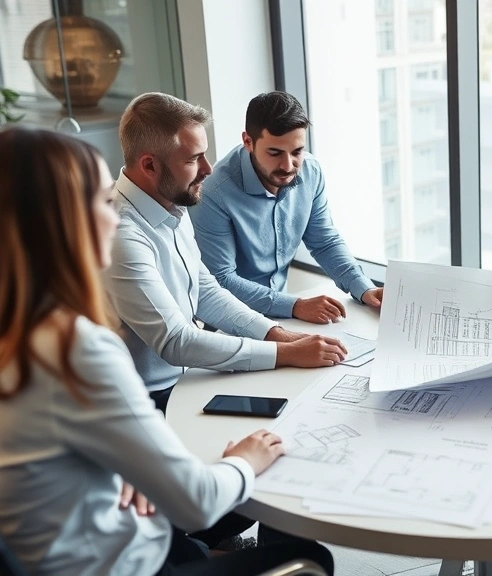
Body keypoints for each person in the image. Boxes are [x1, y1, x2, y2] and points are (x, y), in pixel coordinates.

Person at [0, 126, 334, 576]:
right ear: (61, 223)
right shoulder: (74, 349)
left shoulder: (21, 334)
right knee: (308, 552)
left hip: (79, 543)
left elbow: (206, 290)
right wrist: (244, 460)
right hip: (126, 563)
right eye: (101, 201)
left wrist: (276, 334)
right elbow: (195, 502)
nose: (113, 216)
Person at [103, 92, 347, 413]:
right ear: (149, 165)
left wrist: (278, 335)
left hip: (189, 377)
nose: (208, 168)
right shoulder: (121, 234)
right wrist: (284, 353)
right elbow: (176, 341)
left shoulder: (172, 204)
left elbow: (207, 292)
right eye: (193, 160)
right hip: (147, 399)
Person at [191, 91, 382, 323]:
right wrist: (295, 306)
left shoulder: (310, 171)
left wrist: (364, 289)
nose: (288, 165)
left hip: (284, 317)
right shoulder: (213, 193)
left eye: (297, 151)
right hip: (231, 323)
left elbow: (324, 242)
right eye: (275, 153)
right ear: (248, 142)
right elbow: (221, 280)